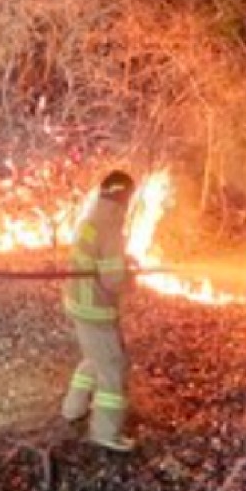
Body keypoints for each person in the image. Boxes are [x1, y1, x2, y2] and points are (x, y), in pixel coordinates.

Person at [61, 169, 137, 452]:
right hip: (96, 307)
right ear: (124, 195)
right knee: (112, 368)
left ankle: (73, 408)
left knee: (94, 355)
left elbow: (96, 259)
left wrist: (121, 261)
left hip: (77, 302)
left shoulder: (90, 218)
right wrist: (129, 276)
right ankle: (106, 431)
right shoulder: (111, 225)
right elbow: (113, 279)